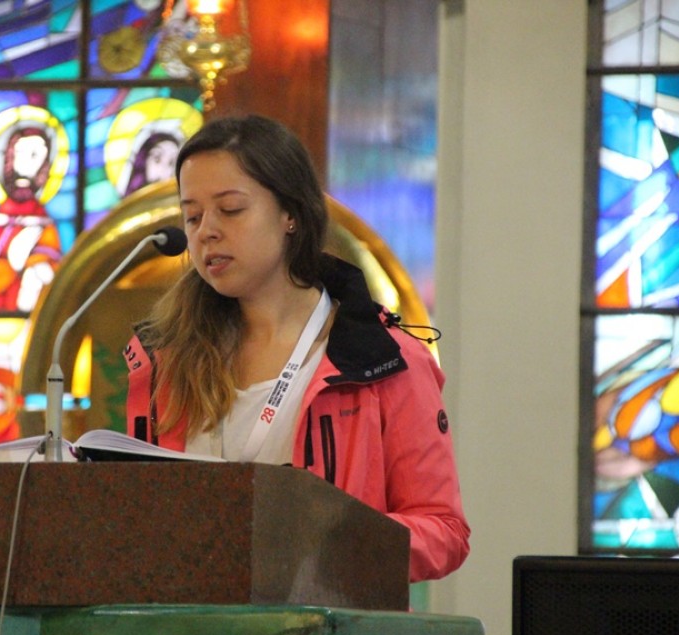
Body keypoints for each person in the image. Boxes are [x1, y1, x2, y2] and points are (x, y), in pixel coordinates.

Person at [122, 114, 470, 582]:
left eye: (230, 209)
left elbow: (444, 530)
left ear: (291, 214)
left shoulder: (384, 361)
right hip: (193, 615)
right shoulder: (164, 360)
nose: (206, 232)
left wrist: (333, 542)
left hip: (328, 617)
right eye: (193, 216)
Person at [0, 126, 62, 312]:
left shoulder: (45, 223)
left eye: (35, 156)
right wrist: (12, 262)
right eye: (20, 153)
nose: (26, 164)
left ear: (45, 165)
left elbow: (58, 280)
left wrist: (37, 266)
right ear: (8, 157)